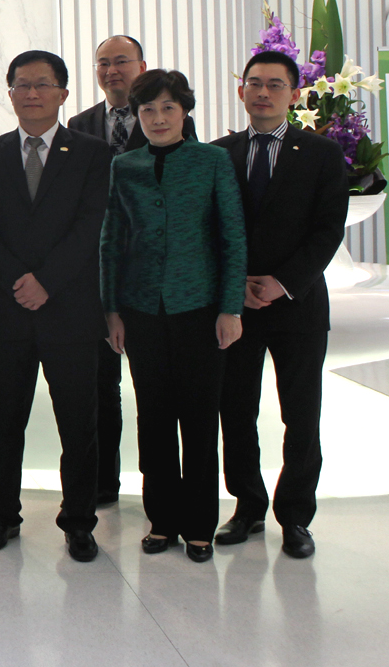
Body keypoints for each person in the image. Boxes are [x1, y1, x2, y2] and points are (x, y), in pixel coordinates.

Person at [100, 69, 246, 563]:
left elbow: (232, 237)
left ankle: (200, 524)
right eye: (148, 110)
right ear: (137, 116)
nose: (158, 118)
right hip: (141, 310)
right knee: (154, 418)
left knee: (200, 419)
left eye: (168, 108)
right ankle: (161, 519)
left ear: (184, 112)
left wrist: (230, 307)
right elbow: (111, 241)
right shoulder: (125, 166)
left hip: (200, 309)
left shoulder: (212, 161)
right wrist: (112, 309)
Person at [0, 52, 109, 563]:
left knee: (78, 424)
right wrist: (20, 279)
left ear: (63, 94)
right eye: (22, 85)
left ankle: (79, 521)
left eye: (42, 85)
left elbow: (92, 224)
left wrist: (47, 281)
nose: (32, 94)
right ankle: (3, 515)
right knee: (7, 420)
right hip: (10, 309)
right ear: (9, 93)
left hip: (71, 310)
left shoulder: (92, 153)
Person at [213, 51, 348, 559]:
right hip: (235, 306)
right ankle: (247, 506)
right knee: (236, 411)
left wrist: (282, 283)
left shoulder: (321, 154)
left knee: (301, 415)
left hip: (298, 304)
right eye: (254, 83)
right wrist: (237, 285)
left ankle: (295, 516)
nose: (263, 92)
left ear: (293, 94)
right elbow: (207, 228)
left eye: (274, 84)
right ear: (241, 91)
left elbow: (328, 229)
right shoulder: (218, 154)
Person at [67, 35, 146, 506]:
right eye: (103, 63)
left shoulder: (167, 118)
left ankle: (159, 487)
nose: (111, 70)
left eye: (121, 62)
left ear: (141, 66)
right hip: (94, 273)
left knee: (153, 386)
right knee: (100, 385)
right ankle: (102, 482)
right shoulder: (79, 125)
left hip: (147, 272)